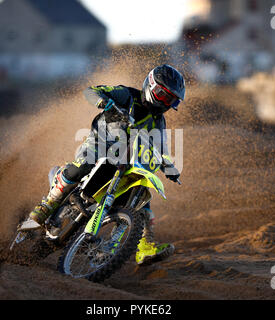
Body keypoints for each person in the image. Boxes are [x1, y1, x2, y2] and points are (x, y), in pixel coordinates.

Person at [29, 64, 185, 265]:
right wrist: (102, 100)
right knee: (82, 166)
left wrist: (169, 167)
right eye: (164, 96)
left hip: (128, 159)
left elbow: (160, 147)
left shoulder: (158, 121)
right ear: (152, 86)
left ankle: (144, 245)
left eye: (171, 100)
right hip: (100, 145)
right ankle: (46, 205)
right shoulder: (127, 95)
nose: (166, 102)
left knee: (142, 197)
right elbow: (91, 91)